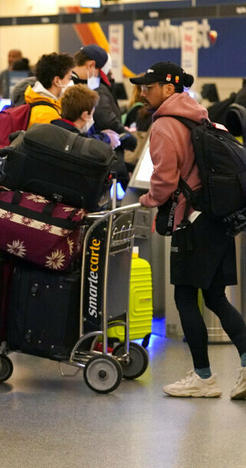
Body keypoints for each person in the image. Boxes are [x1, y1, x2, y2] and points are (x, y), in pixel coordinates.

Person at [131, 62, 246, 400]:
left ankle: (203, 377)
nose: (142, 92)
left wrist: (149, 201)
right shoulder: (201, 116)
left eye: (148, 87)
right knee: (214, 297)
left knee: (184, 296)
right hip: (218, 218)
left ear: (169, 88)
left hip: (192, 222)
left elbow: (165, 181)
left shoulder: (165, 125)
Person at [72, 45, 135, 185]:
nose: (99, 79)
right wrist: (110, 137)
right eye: (100, 74)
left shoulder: (71, 84)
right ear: (91, 65)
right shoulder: (72, 87)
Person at [51, 84, 120, 148]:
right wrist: (107, 138)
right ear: (85, 115)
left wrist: (102, 135)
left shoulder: (56, 128)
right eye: (92, 113)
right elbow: (83, 141)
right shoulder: (74, 140)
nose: (92, 119)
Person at [22, 52, 74, 128]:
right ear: (57, 81)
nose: (71, 83)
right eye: (69, 78)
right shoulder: (46, 115)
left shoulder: (43, 102)